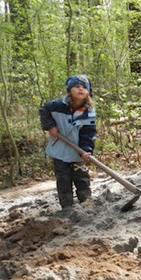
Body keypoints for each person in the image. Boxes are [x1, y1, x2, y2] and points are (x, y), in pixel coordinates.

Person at [40, 74, 97, 212]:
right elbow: (44, 110)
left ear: (88, 91)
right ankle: (67, 206)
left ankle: (86, 202)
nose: (81, 89)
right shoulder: (57, 106)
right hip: (59, 150)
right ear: (69, 89)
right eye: (77, 86)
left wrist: (87, 149)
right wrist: (50, 126)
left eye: (84, 87)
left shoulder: (88, 112)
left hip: (78, 152)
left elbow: (88, 133)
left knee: (82, 178)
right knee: (63, 179)